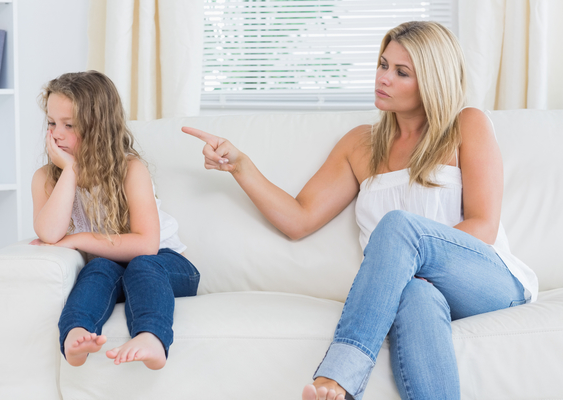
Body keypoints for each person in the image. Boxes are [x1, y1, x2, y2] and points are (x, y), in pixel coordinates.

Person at [182, 21, 538, 400]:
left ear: (433, 81)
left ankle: (338, 376)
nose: (383, 78)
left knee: (398, 227)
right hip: (415, 289)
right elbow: (299, 219)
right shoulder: (361, 144)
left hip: (486, 281)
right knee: (415, 294)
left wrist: (407, 259)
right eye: (383, 64)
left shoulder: (466, 125)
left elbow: (483, 226)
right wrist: (240, 166)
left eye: (401, 72)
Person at [31, 70, 199, 370]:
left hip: (166, 265)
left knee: (142, 265)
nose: (56, 134)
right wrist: (70, 172)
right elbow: (49, 233)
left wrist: (78, 239)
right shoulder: (46, 178)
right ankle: (76, 335)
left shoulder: (130, 170)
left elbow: (146, 246)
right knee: (97, 269)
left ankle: (152, 338)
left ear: (98, 127)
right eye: (51, 123)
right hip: (114, 267)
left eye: (69, 125)